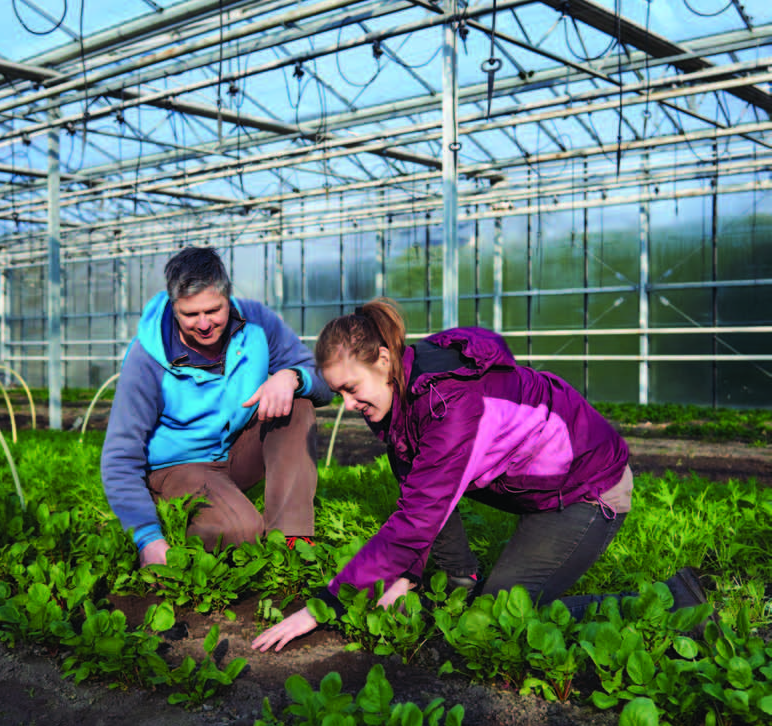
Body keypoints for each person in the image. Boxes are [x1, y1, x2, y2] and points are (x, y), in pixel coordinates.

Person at [252, 299, 707, 652]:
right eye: (339, 393)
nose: (348, 405)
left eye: (351, 389)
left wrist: (324, 605)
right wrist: (406, 576)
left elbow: (416, 521)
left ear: (386, 361)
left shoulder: (449, 404)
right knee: (428, 493)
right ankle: (458, 581)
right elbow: (418, 494)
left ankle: (673, 600)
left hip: (588, 489)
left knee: (498, 617)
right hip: (536, 490)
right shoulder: (399, 398)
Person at [101, 245, 332, 567]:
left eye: (213, 310)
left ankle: (291, 537)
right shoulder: (147, 358)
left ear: (228, 297)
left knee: (298, 402)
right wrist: (146, 536)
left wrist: (292, 376)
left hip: (235, 451)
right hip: (179, 466)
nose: (205, 324)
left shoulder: (258, 323)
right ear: (173, 305)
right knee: (239, 532)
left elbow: (323, 380)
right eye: (190, 314)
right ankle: (182, 508)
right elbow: (119, 454)